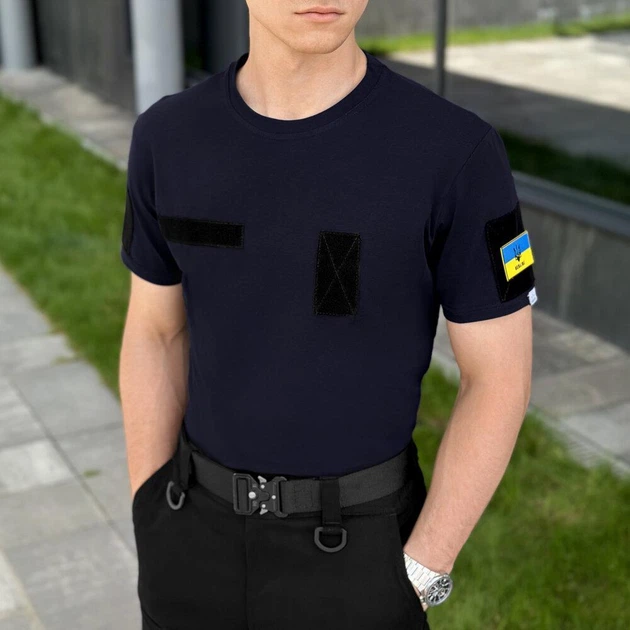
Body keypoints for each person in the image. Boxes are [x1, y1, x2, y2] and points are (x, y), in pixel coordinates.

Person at [118, 2, 537, 629]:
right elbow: (156, 330)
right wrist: (150, 510)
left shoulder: (454, 151)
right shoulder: (167, 137)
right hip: (190, 540)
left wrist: (423, 568)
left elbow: (499, 378)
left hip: (361, 556)